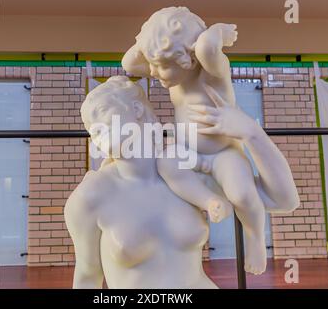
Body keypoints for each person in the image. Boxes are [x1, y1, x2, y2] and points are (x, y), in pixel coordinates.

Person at [122, 6, 299, 274]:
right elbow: (129, 63)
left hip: (223, 154)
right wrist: (151, 33)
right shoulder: (174, 77)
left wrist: (217, 33)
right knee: (167, 162)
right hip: (189, 153)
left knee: (241, 193)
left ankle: (255, 237)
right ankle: (210, 202)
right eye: (154, 65)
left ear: (190, 59)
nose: (154, 73)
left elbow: (206, 48)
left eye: (161, 67)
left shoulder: (213, 75)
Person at [65, 76, 218, 288]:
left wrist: (251, 133)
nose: (95, 128)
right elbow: (87, 277)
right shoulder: (90, 196)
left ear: (136, 109)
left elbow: (278, 200)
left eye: (101, 112)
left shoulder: (186, 175)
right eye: (90, 126)